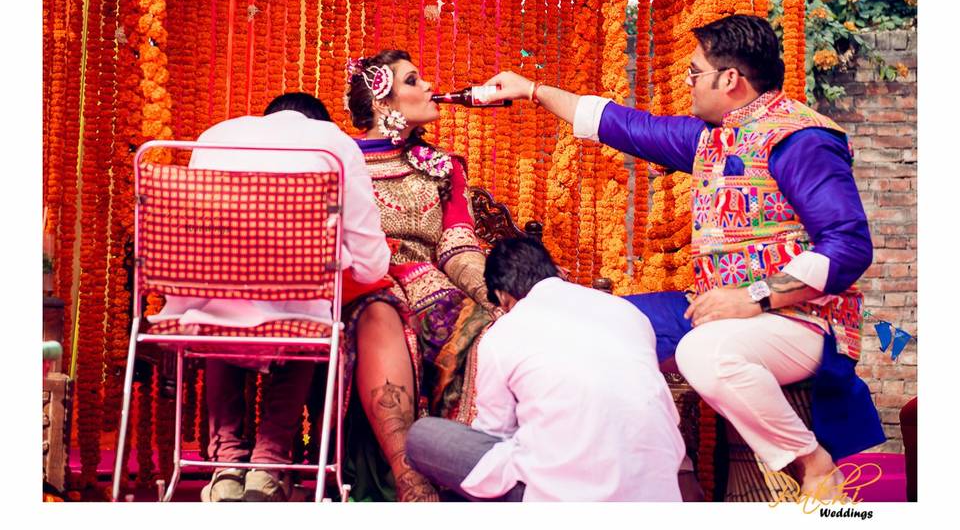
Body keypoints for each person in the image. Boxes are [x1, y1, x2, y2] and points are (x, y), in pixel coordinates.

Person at [482, 14, 885, 496]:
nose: (687, 82)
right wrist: (532, 90)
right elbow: (623, 124)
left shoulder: (801, 139)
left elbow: (848, 246)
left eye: (695, 73)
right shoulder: (711, 138)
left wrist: (753, 298)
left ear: (729, 79)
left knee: (703, 352)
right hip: (718, 309)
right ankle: (633, 481)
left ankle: (813, 465)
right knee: (594, 327)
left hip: (802, 319)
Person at [151, 92, 390, 502]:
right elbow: (372, 264)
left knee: (220, 302)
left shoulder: (214, 137)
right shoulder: (332, 143)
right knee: (308, 313)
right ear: (321, 120)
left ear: (267, 118)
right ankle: (270, 463)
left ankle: (226, 464)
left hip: (202, 314)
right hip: (296, 315)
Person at [404, 237, 685, 501]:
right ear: (553, 273)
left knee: (422, 437)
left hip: (568, 497)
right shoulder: (627, 312)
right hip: (657, 490)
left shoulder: (504, 332)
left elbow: (493, 432)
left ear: (502, 297)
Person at [339, 49, 500, 502]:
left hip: (434, 287)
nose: (430, 86)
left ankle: (472, 477)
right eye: (413, 80)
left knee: (489, 327)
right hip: (364, 286)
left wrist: (496, 294)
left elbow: (457, 244)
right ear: (381, 98)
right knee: (386, 316)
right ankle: (409, 476)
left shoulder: (443, 167)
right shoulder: (340, 161)